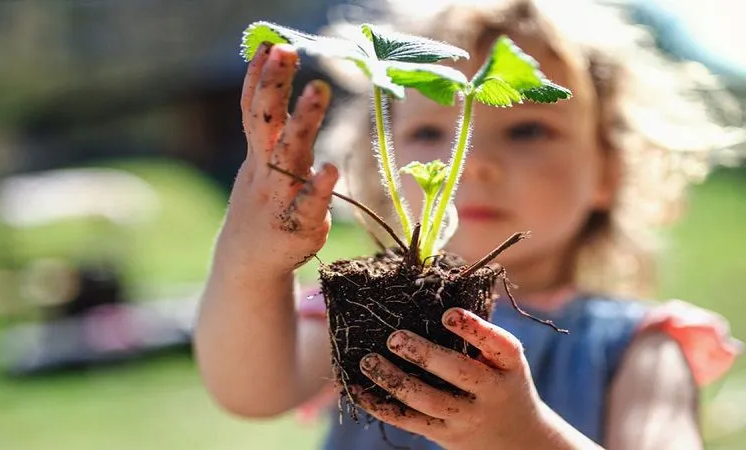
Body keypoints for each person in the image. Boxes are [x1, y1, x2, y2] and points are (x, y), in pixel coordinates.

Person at [194, 0, 743, 448]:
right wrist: (250, 263)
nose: (474, 158)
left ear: (609, 170)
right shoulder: (359, 306)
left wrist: (523, 437)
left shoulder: (641, 347)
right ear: (379, 164)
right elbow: (249, 390)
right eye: (431, 133)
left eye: (527, 130)